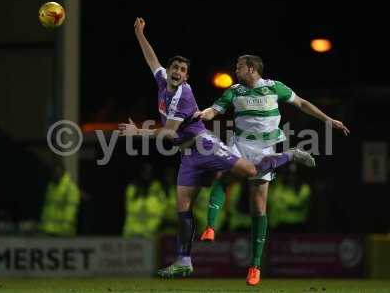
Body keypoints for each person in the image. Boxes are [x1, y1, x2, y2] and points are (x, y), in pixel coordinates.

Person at [118, 17, 314, 278]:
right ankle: (184, 261)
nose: (176, 72)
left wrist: (136, 131)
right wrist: (139, 33)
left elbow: (168, 133)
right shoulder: (163, 82)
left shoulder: (182, 94)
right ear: (168, 70)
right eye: (174, 67)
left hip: (205, 146)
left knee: (251, 170)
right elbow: (151, 59)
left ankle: (290, 154)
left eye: (181, 70)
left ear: (186, 77)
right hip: (187, 155)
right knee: (182, 208)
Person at [195, 54, 350, 285]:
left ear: (251, 69)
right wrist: (201, 114)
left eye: (238, 67)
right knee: (223, 176)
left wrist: (328, 119)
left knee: (259, 208)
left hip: (266, 148)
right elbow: (214, 111)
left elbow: (302, 104)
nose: (235, 71)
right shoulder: (234, 91)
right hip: (240, 145)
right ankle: (210, 227)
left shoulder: (275, 88)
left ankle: (255, 267)